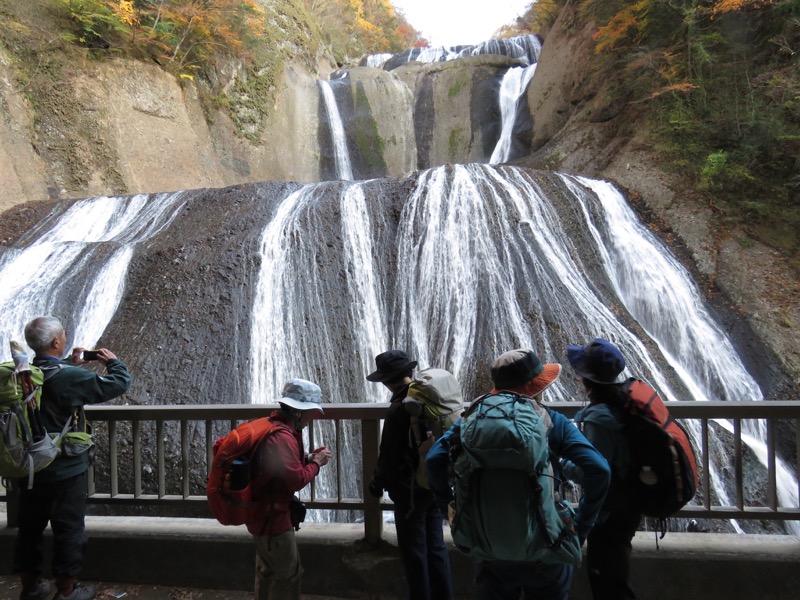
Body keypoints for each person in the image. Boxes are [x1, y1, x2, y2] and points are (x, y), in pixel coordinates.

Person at [426, 348, 610, 600]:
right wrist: (581, 527)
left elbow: (434, 460)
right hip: (547, 545)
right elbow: (599, 469)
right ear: (534, 386)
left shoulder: (470, 421)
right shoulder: (553, 421)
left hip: (488, 544)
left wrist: (451, 510)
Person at [13, 316, 132, 600]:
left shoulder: (23, 372)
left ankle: (30, 588)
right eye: (63, 336)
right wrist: (112, 361)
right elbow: (118, 383)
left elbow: (51, 374)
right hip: (63, 468)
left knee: (29, 528)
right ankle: (66, 592)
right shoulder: (69, 378)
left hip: (27, 466)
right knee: (69, 530)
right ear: (56, 342)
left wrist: (68, 362)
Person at [366, 350, 453, 600]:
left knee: (414, 552)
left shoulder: (399, 409)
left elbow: (389, 455)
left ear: (387, 380)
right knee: (436, 547)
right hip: (434, 483)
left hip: (409, 491)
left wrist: (377, 483)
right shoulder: (430, 399)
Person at [564, 338, 642, 600]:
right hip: (626, 505)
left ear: (587, 379)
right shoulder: (621, 404)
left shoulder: (600, 419)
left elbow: (595, 470)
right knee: (615, 574)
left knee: (609, 581)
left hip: (609, 512)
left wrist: (564, 464)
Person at [246, 379, 332, 600]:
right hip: (273, 518)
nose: (314, 416)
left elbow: (279, 465)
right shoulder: (283, 436)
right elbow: (296, 480)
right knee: (288, 575)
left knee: (266, 570)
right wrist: (317, 463)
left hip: (260, 513)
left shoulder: (272, 426)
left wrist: (308, 457)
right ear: (298, 412)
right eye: (311, 411)